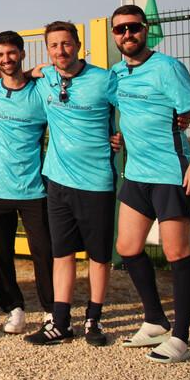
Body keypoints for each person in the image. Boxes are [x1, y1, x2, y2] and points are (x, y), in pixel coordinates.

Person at [110, 5, 190, 363]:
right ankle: (155, 321)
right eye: (120, 29)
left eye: (133, 27)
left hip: (170, 172)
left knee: (176, 252)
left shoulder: (167, 68)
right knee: (127, 247)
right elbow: (127, 112)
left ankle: (181, 338)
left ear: (145, 29)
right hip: (137, 174)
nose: (127, 34)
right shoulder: (116, 73)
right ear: (114, 35)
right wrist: (120, 136)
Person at [24, 21, 118, 347]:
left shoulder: (105, 79)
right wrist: (32, 70)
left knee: (99, 256)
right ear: (47, 50)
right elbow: (16, 76)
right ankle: (61, 323)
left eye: (66, 44)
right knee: (61, 253)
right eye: (53, 45)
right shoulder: (45, 78)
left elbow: (134, 108)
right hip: (58, 181)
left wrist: (121, 134)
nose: (60, 51)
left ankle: (94, 319)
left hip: (96, 182)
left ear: (78, 45)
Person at [0, 31, 54, 335]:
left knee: (44, 252)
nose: (6, 59)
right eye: (0, 54)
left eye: (11, 53)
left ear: (22, 53)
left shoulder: (40, 93)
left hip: (33, 188)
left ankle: (51, 311)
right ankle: (15, 309)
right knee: (1, 254)